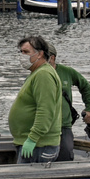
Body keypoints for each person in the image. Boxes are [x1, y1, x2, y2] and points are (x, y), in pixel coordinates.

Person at [10, 35, 63, 163]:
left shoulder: (43, 75)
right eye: (21, 52)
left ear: (40, 54)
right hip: (33, 145)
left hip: (39, 147)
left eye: (26, 52)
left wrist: (32, 139)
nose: (22, 56)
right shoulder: (36, 73)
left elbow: (45, 111)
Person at [47, 43, 90, 162]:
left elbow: (85, 86)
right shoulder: (36, 74)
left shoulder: (67, 72)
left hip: (64, 125)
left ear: (52, 58)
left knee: (65, 158)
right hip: (44, 127)